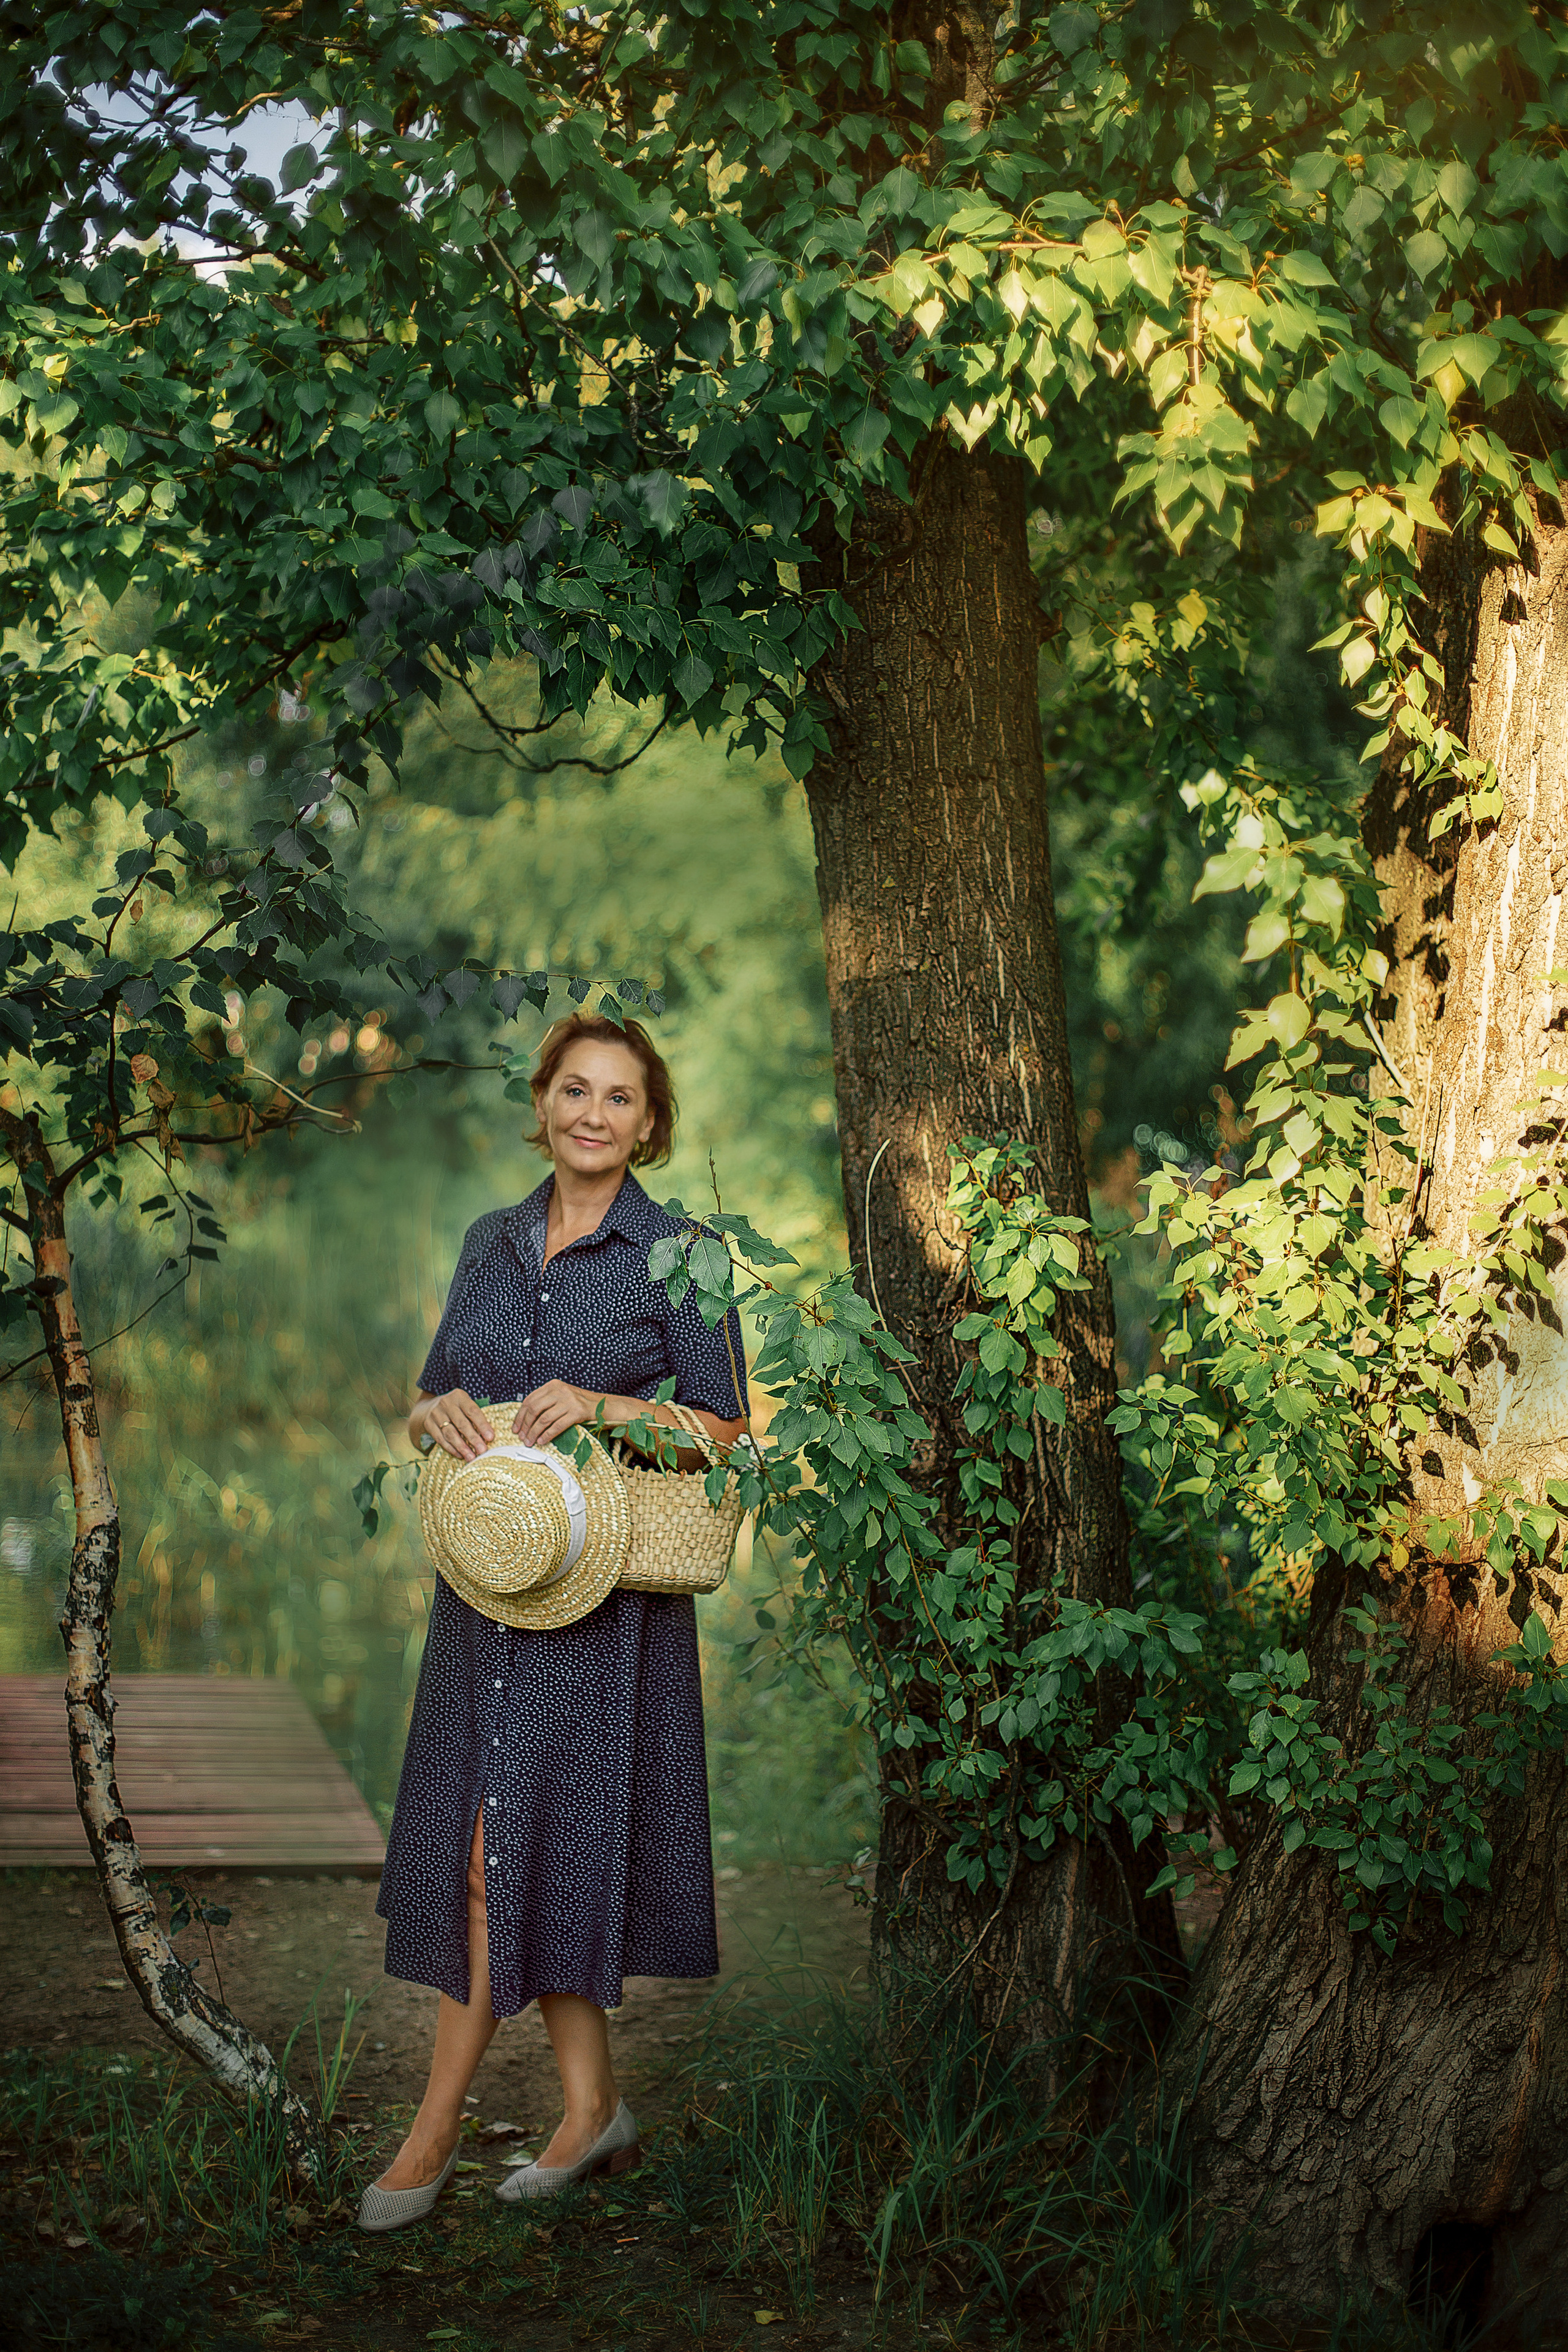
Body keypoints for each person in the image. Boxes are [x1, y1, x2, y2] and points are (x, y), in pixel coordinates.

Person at [356, 1014, 746, 2231]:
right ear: (543, 1099)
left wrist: (611, 1408)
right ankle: (592, 2113)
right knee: (501, 1854)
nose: (592, 1112)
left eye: (618, 1097)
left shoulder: (680, 1253)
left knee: (511, 1856)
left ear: (649, 1122)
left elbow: (726, 1430)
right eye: (573, 1089)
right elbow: (429, 1397)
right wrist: (436, 1420)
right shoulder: (489, 1241)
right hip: (486, 1596)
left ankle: (428, 2136)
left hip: (600, 1612)